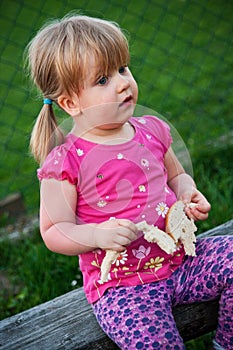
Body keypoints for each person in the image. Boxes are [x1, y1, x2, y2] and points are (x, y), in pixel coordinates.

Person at [26, 14, 232, 350]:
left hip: (181, 262)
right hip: (125, 287)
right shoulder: (66, 160)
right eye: (104, 79)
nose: (123, 82)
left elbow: (177, 175)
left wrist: (187, 192)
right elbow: (53, 230)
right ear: (70, 103)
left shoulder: (150, 130)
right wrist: (96, 234)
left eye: (123, 69)